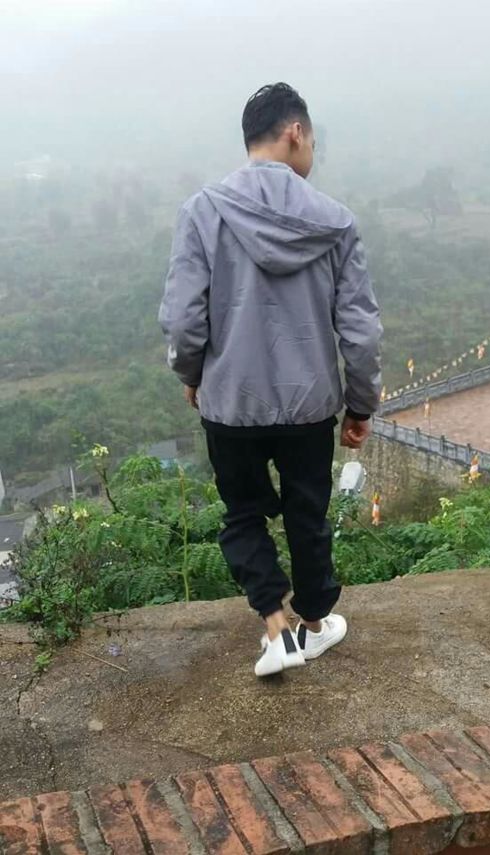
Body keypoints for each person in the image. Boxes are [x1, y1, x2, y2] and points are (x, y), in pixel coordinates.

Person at [159, 82, 382, 677]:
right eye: (313, 142)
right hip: (310, 405)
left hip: (230, 403)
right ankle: (315, 624)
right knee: (308, 512)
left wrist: (192, 374)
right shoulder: (335, 222)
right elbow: (360, 330)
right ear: (295, 132)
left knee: (242, 514)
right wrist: (360, 405)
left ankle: (275, 628)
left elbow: (182, 320)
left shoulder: (202, 212)